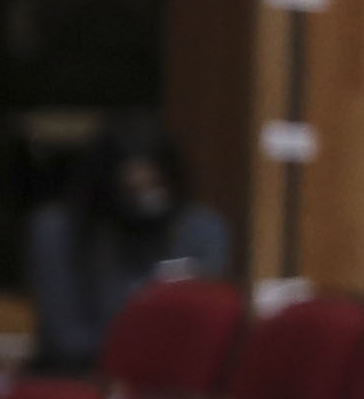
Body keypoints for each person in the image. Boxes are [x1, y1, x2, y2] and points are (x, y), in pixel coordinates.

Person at [22, 111, 232, 374]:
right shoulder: (59, 231)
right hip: (80, 377)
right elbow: (67, 337)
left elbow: (203, 333)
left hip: (172, 382)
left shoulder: (200, 229)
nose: (145, 203)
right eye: (132, 192)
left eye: (154, 190)